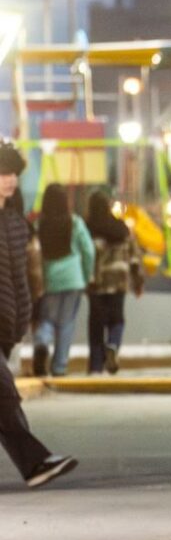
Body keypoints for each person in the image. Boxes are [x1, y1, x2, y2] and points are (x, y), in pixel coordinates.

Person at [0, 143, 77, 487]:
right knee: (4, 394)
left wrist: (21, 318)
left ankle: (35, 464)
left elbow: (23, 276)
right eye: (3, 173)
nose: (10, 180)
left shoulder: (14, 224)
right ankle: (35, 463)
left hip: (5, 325)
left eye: (13, 173)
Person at [34, 183, 94, 377]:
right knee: (66, 322)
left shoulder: (39, 225)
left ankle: (42, 341)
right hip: (73, 279)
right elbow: (88, 250)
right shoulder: (74, 222)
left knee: (47, 319)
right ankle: (59, 366)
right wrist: (87, 275)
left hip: (50, 279)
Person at [85, 191, 144, 375]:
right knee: (117, 318)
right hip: (119, 278)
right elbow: (134, 257)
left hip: (97, 281)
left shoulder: (88, 228)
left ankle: (96, 365)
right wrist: (138, 281)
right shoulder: (121, 228)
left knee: (96, 323)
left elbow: (85, 254)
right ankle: (113, 344)